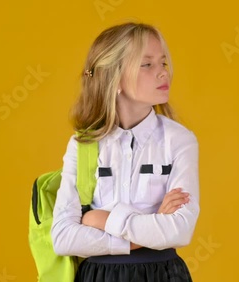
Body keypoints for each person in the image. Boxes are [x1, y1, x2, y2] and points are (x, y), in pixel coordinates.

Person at [51, 22, 200, 282]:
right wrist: (146, 230)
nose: (163, 73)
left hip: (164, 275)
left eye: (163, 63)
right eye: (147, 65)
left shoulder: (180, 141)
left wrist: (100, 219)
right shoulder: (83, 144)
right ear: (115, 78)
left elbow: (179, 231)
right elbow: (63, 237)